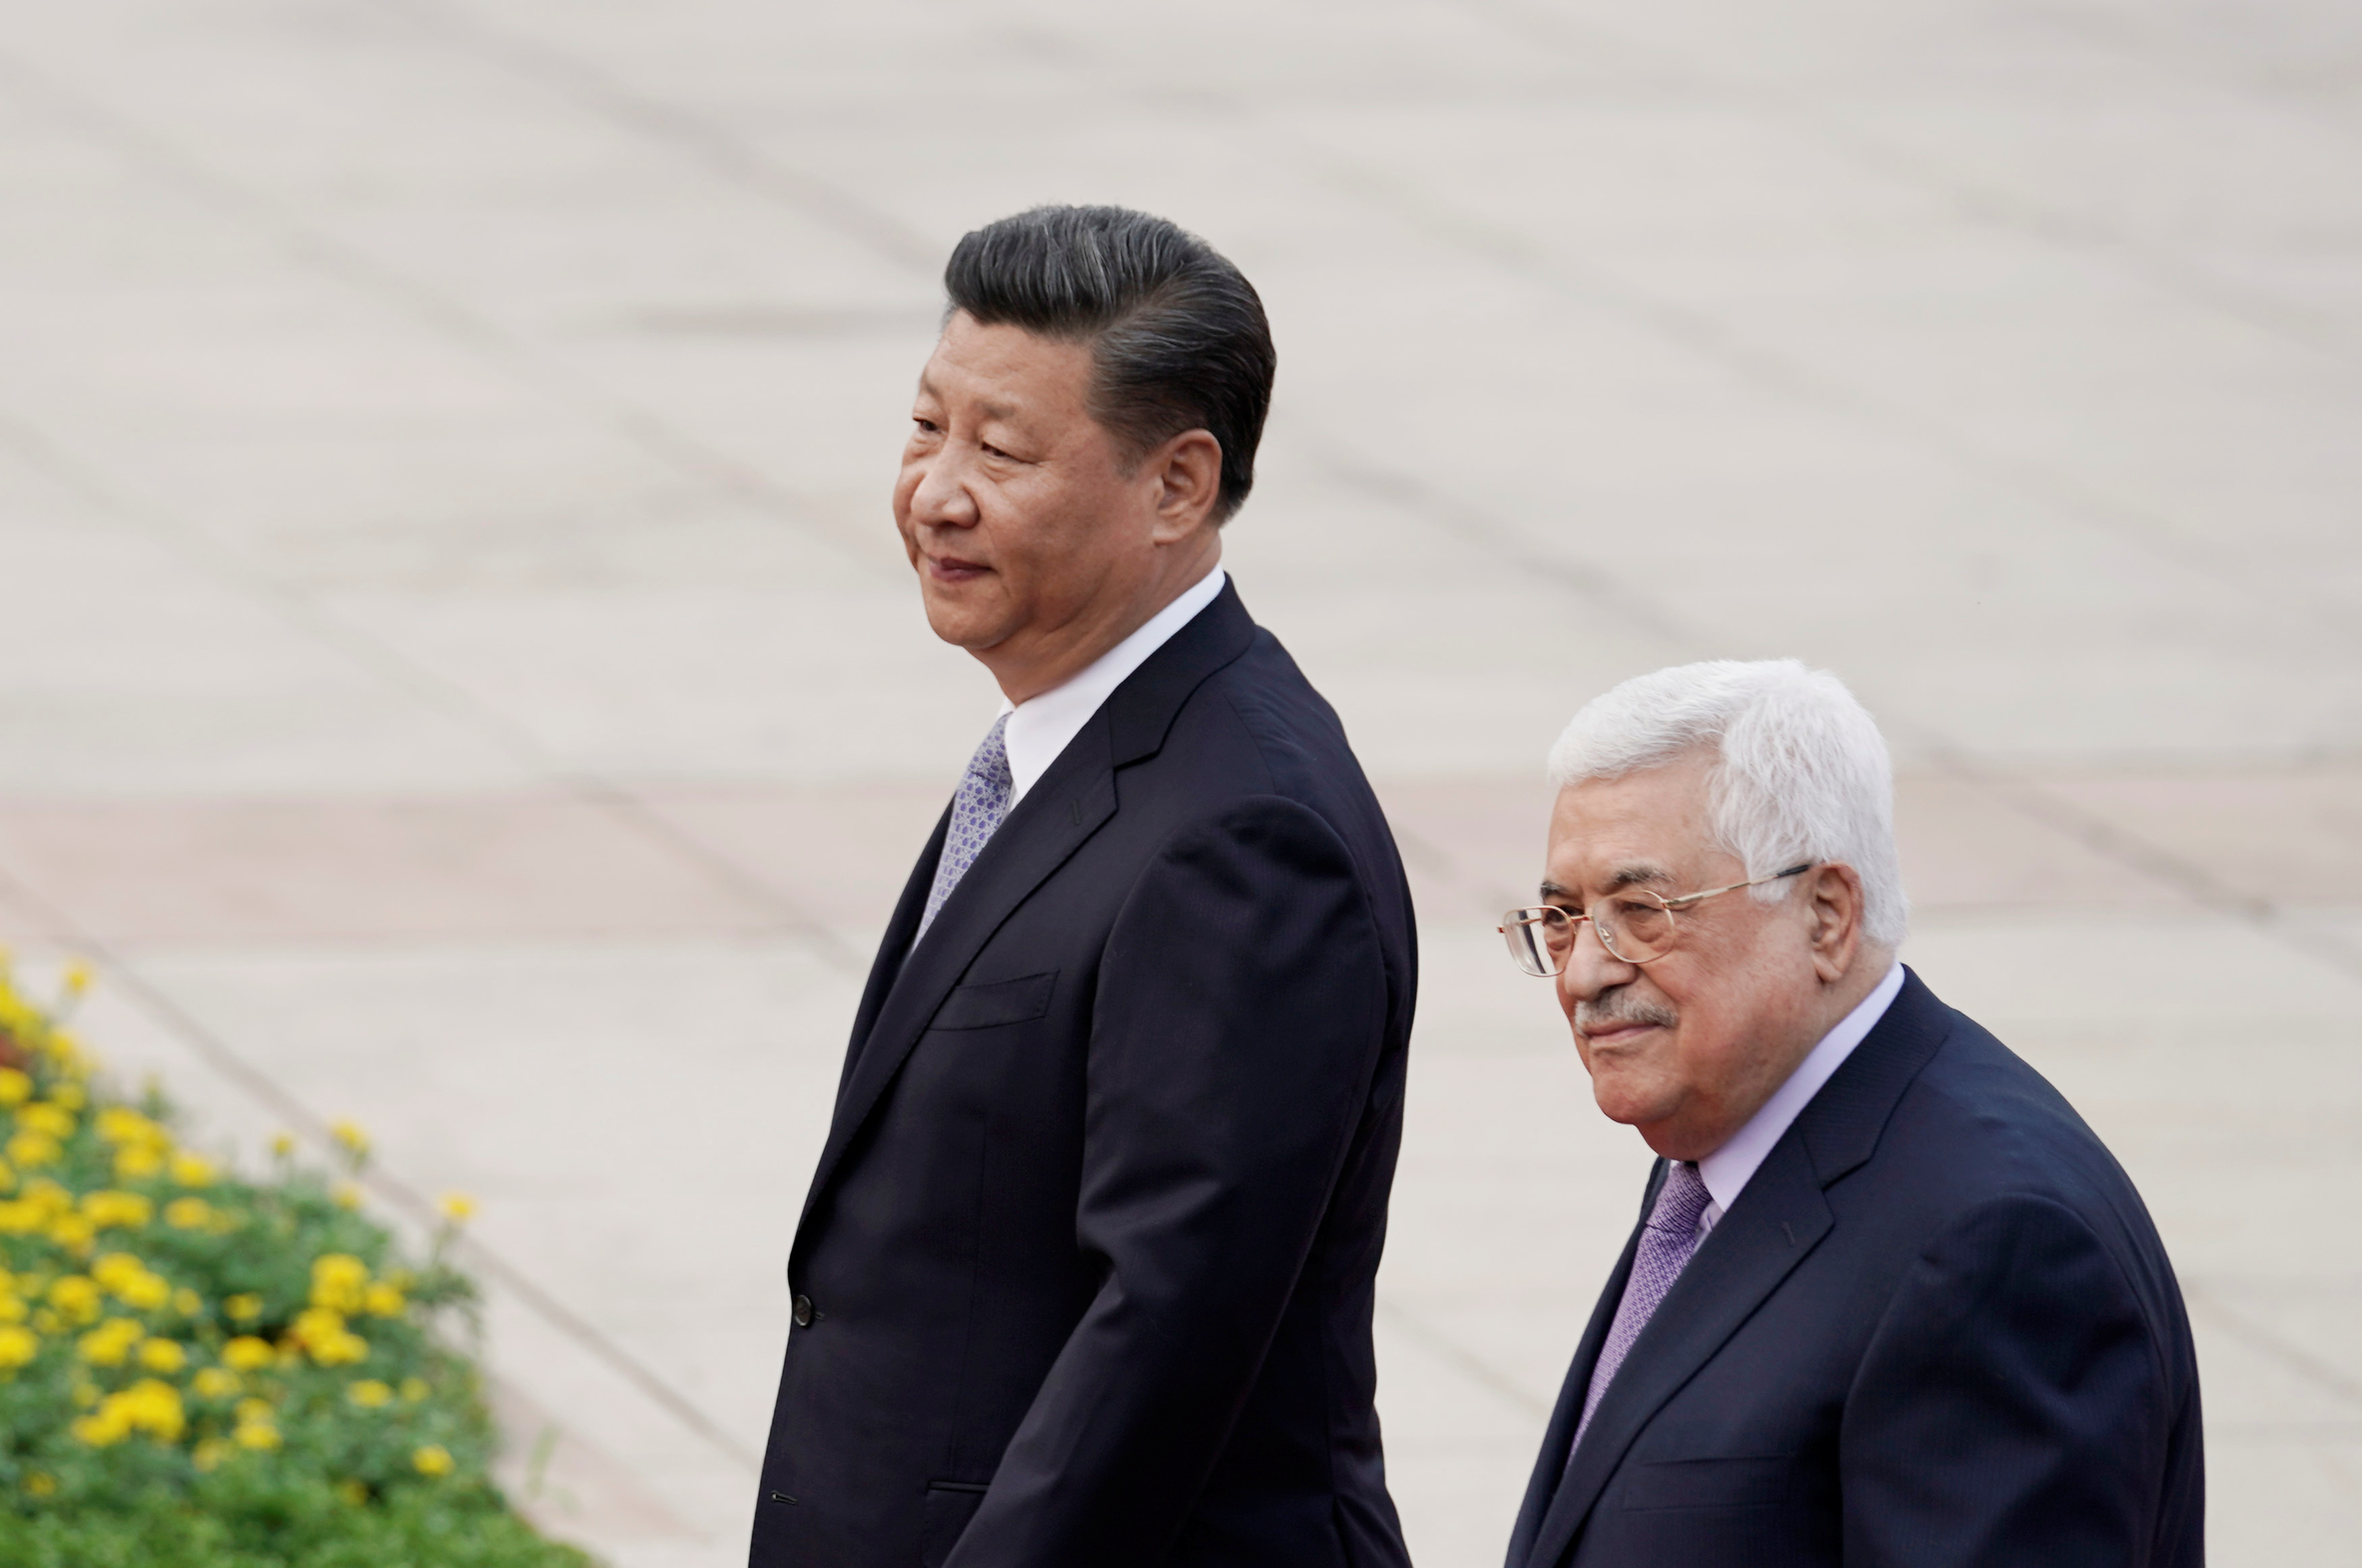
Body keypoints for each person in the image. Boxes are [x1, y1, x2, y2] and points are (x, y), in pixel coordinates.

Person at [750, 206, 1418, 1568]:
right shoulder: (1065, 743)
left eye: (1000, 451)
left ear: (1178, 484)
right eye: (926, 427)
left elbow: (1167, 1330)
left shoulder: (1241, 836)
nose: (936, 490)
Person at [1498, 660, 2202, 1568]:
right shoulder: (1725, 1135)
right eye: (1561, 918)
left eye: (1642, 912)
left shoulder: (1994, 1248)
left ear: (1826, 916)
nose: (1585, 973)